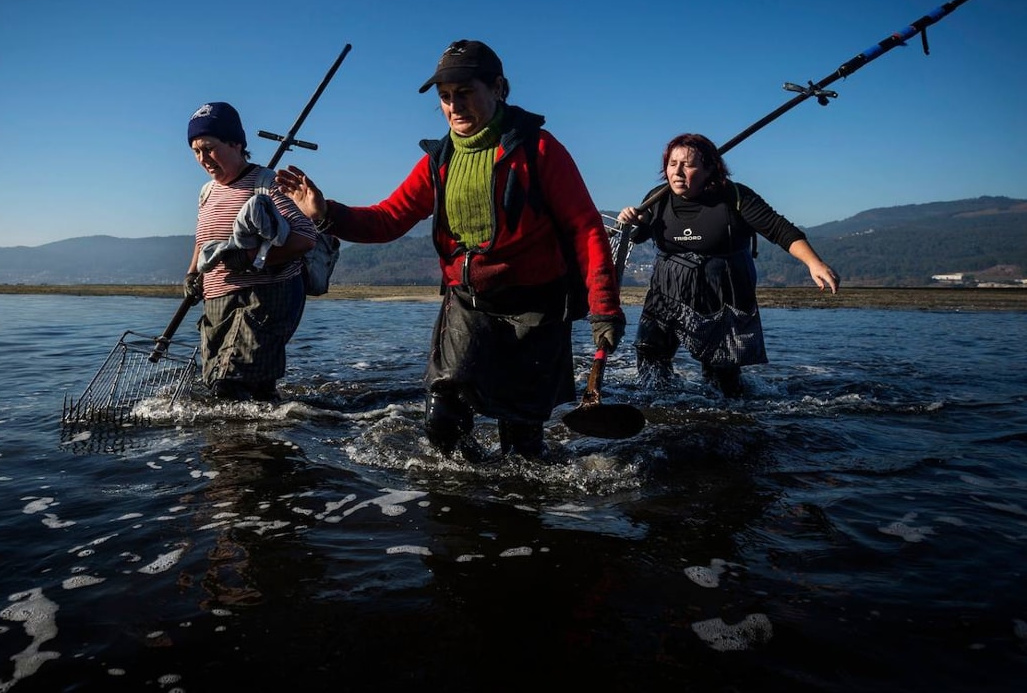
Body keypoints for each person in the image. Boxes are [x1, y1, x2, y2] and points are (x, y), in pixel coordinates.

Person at [274, 39, 625, 460]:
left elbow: (586, 228)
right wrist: (325, 212)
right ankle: (466, 510)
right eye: (445, 98)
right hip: (468, 305)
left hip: (536, 310)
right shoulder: (438, 160)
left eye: (464, 93)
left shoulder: (539, 149)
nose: (454, 106)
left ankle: (516, 513)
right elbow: (389, 219)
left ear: (498, 88)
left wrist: (604, 306)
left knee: (522, 446)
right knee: (442, 425)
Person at [617, 132, 839, 397]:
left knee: (721, 373)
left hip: (722, 289)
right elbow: (640, 235)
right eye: (672, 163)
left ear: (710, 168)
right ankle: (661, 404)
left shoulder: (735, 196)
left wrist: (814, 263)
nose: (677, 171)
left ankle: (727, 413)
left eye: (688, 164)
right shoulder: (657, 197)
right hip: (667, 289)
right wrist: (633, 221)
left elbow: (779, 229)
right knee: (650, 355)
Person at [183, 101, 318, 402]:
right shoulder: (207, 192)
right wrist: (192, 274)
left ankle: (244, 445)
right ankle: (262, 442)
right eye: (196, 152)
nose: (203, 158)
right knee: (245, 391)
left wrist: (250, 260)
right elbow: (203, 239)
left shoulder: (265, 185)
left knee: (229, 387)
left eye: (209, 148)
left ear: (236, 143)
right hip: (218, 301)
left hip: (262, 300)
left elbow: (306, 237)